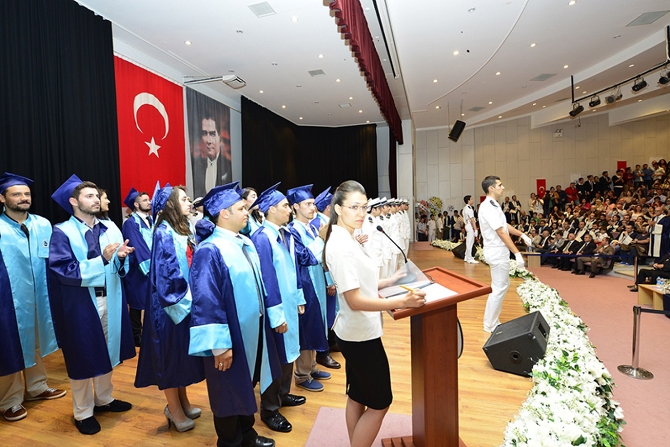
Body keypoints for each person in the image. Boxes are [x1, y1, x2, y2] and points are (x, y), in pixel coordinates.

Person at [323, 180, 426, 447]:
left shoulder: (347, 237)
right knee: (380, 403)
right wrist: (402, 300)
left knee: (357, 395)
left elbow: (361, 285)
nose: (361, 213)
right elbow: (355, 300)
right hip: (359, 334)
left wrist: (390, 281)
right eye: (354, 207)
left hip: (356, 329)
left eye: (364, 206)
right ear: (338, 208)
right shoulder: (342, 245)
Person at [189, 182, 279, 447]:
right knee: (227, 391)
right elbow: (206, 302)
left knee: (244, 384)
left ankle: (246, 435)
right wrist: (219, 345)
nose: (246, 213)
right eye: (241, 208)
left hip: (251, 330)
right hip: (229, 335)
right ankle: (229, 441)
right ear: (224, 214)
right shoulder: (210, 250)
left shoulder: (245, 242)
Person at [48, 175, 135, 435]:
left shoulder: (110, 228)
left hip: (112, 297)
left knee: (107, 350)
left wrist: (119, 259)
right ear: (74, 201)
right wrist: (103, 260)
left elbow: (122, 265)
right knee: (83, 355)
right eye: (89, 196)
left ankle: (104, 399)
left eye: (97, 195)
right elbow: (62, 269)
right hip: (81, 303)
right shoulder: (61, 231)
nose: (96, 199)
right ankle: (83, 412)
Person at [134, 185, 205, 432]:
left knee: (181, 357)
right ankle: (172, 409)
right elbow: (167, 275)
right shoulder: (163, 232)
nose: (189, 203)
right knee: (170, 358)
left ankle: (183, 401)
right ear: (171, 205)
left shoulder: (182, 229)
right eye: (184, 199)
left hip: (184, 302)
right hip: (169, 308)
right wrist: (186, 302)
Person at [0, 173, 65, 423]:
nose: (23, 198)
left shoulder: (43, 224)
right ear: (2, 198)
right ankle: (10, 400)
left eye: (26, 194)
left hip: (40, 294)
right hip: (9, 297)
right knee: (11, 345)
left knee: (35, 339)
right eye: (16, 194)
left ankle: (37, 387)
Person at [251, 183, 305, 433]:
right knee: (273, 359)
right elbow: (267, 279)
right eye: (285, 206)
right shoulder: (262, 238)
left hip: (290, 303)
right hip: (276, 307)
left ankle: (283, 395)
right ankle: (269, 408)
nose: (289, 210)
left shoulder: (284, 233)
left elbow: (293, 270)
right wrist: (276, 314)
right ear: (271, 209)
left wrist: (300, 298)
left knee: (289, 352)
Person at [286, 185, 340, 378]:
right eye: (307, 204)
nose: (313, 207)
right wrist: (320, 238)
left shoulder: (309, 227)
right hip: (306, 283)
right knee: (307, 328)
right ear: (295, 207)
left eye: (312, 203)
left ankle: (313, 366)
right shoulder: (292, 231)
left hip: (317, 281)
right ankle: (302, 374)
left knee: (318, 324)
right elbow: (305, 257)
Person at [478, 176, 532, 332]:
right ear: (491, 188)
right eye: (500, 185)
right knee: (499, 287)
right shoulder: (487, 206)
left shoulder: (494, 205)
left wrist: (521, 234)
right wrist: (517, 253)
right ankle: (490, 324)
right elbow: (501, 231)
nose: (503, 187)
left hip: (498, 250)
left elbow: (504, 225)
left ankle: (493, 320)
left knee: (502, 286)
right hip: (496, 250)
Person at [121, 188, 153, 347]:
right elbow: (137, 245)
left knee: (149, 301)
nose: (149, 202)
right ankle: (136, 336)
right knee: (136, 304)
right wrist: (150, 266)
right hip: (138, 268)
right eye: (145, 200)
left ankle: (149, 333)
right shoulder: (130, 223)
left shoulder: (151, 220)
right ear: (136, 204)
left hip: (151, 266)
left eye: (149, 199)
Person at [193, 113, 232, 198]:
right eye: (204, 134)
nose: (208, 141)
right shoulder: (196, 166)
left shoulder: (228, 167)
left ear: (220, 138)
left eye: (212, 134)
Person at [463, 195, 478, 264]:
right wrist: (475, 229)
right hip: (469, 225)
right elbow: (472, 220)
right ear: (468, 201)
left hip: (467, 225)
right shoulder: (469, 208)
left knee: (469, 241)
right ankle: (469, 258)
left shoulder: (465, 208)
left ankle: (466, 256)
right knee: (470, 242)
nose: (472, 200)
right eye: (471, 199)